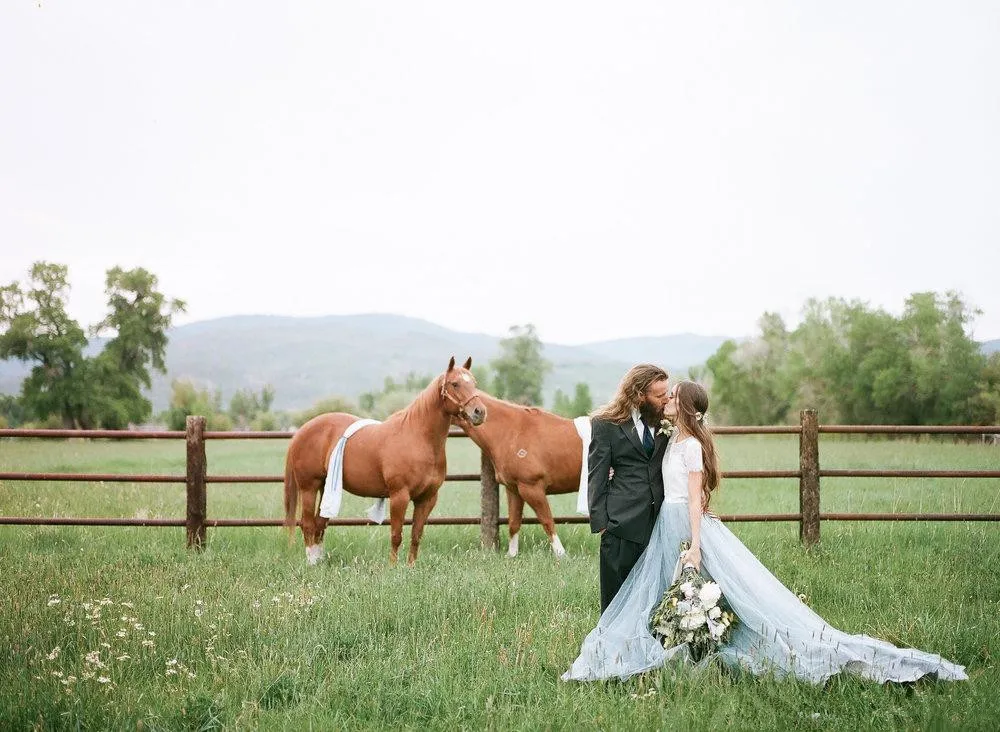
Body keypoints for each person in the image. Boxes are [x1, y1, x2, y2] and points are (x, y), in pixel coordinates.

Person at [563, 380, 968, 684]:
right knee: (672, 592)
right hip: (662, 527)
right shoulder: (671, 437)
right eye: (662, 396)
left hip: (684, 528)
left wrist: (697, 542)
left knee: (702, 588)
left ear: (683, 407)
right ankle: (679, 646)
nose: (665, 401)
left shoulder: (687, 446)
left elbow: (693, 493)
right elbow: (645, 473)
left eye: (671, 398)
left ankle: (711, 648)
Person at [588, 364, 671, 613]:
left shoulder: (669, 421)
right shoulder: (605, 424)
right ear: (638, 395)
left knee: (655, 597)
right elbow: (597, 475)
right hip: (620, 524)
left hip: (660, 523)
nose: (666, 399)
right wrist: (602, 523)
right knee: (616, 600)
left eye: (667, 393)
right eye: (659, 395)